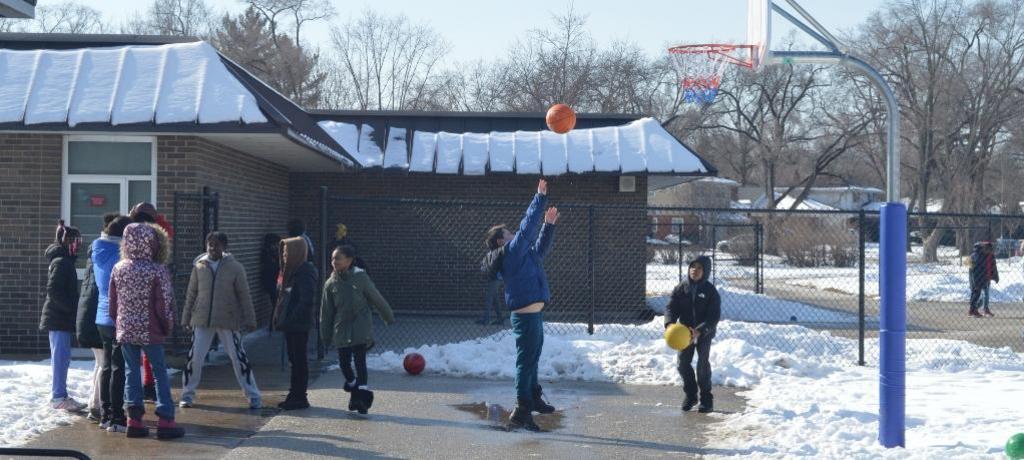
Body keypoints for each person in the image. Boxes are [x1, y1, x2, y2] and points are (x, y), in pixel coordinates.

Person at [482, 178, 559, 432]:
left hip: (533, 315)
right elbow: (526, 229)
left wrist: (548, 226)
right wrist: (539, 197)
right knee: (525, 363)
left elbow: (540, 249)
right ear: (501, 242)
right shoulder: (511, 253)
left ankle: (533, 398)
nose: (513, 234)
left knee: (532, 359)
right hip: (525, 317)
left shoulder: (521, 254)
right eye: (508, 234)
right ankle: (521, 410)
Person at [109, 223, 184, 439]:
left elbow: (113, 304)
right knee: (160, 373)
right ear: (151, 242)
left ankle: (134, 419)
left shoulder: (118, 268)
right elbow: (164, 304)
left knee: (131, 371)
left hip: (126, 329)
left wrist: (120, 323)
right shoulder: (157, 270)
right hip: (151, 329)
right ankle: (166, 419)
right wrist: (167, 325)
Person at [180, 232, 261, 409]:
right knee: (195, 358)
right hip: (201, 319)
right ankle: (187, 395)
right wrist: (186, 317)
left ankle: (253, 395)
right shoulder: (199, 266)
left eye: (216, 245)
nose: (212, 248)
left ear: (224, 247)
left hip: (227, 319)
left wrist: (250, 318)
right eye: (209, 244)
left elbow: (244, 295)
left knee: (238, 358)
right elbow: (191, 293)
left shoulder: (235, 268)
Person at [321, 245, 395, 414]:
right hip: (341, 328)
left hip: (360, 326)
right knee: (344, 363)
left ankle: (361, 396)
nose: (334, 262)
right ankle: (353, 386)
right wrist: (325, 335)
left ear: (349, 260)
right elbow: (326, 312)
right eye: (332, 259)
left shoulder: (361, 278)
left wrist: (387, 316)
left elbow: (376, 298)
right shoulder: (330, 283)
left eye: (338, 258)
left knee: (360, 361)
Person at [664, 256, 721, 413]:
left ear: (706, 271)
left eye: (699, 268)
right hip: (684, 333)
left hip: (704, 333)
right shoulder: (681, 288)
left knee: (702, 365)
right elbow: (671, 308)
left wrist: (700, 330)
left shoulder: (710, 291)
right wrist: (670, 323)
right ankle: (691, 395)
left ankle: (706, 399)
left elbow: (713, 317)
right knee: (682, 364)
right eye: (692, 267)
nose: (695, 270)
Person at [77, 213, 119, 422]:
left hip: (90, 315)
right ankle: (96, 406)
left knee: (100, 363)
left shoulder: (96, 252)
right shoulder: (106, 256)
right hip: (98, 317)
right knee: (104, 365)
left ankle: (95, 404)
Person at [129, 202, 172, 401]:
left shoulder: (123, 264)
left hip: (129, 311)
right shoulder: (158, 268)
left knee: (131, 366)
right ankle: (161, 406)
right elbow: (167, 234)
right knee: (156, 362)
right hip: (150, 308)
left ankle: (133, 410)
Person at [93, 215, 133, 432]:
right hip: (118, 316)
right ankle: (117, 418)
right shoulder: (119, 254)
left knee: (107, 367)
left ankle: (105, 415)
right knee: (118, 368)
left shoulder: (98, 248)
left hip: (102, 317)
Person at [41, 220, 84, 412]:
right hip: (58, 318)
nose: (77, 244)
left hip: (61, 318)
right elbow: (54, 290)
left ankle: (62, 394)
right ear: (66, 241)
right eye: (74, 240)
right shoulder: (61, 262)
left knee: (63, 358)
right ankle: (58, 396)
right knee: (59, 358)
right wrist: (70, 309)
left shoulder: (65, 261)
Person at [273, 236, 318, 410]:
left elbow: (306, 299)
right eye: (283, 252)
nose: (284, 255)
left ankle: (299, 396)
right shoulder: (291, 270)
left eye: (287, 252)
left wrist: (291, 317)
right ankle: (295, 394)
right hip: (292, 323)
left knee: (299, 360)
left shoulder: (305, 271)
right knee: (295, 359)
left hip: (298, 324)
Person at [969, 241, 999, 317]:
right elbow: (970, 268)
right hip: (977, 279)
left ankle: (981, 309)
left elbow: (993, 267)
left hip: (985, 278)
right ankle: (973, 309)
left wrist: (995, 276)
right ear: (983, 248)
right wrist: (974, 280)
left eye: (991, 249)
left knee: (985, 295)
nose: (990, 251)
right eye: (988, 249)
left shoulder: (990, 256)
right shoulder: (976, 256)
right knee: (977, 294)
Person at [477, 247, 504, 326]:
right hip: (493, 278)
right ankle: (500, 318)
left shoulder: (498, 252)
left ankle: (486, 320)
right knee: (495, 299)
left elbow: (495, 264)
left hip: (496, 278)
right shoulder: (491, 252)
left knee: (488, 298)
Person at [261, 233, 282, 307]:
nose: (277, 247)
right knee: (276, 306)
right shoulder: (268, 255)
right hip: (273, 285)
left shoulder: (274, 255)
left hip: (276, 285)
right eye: (276, 244)